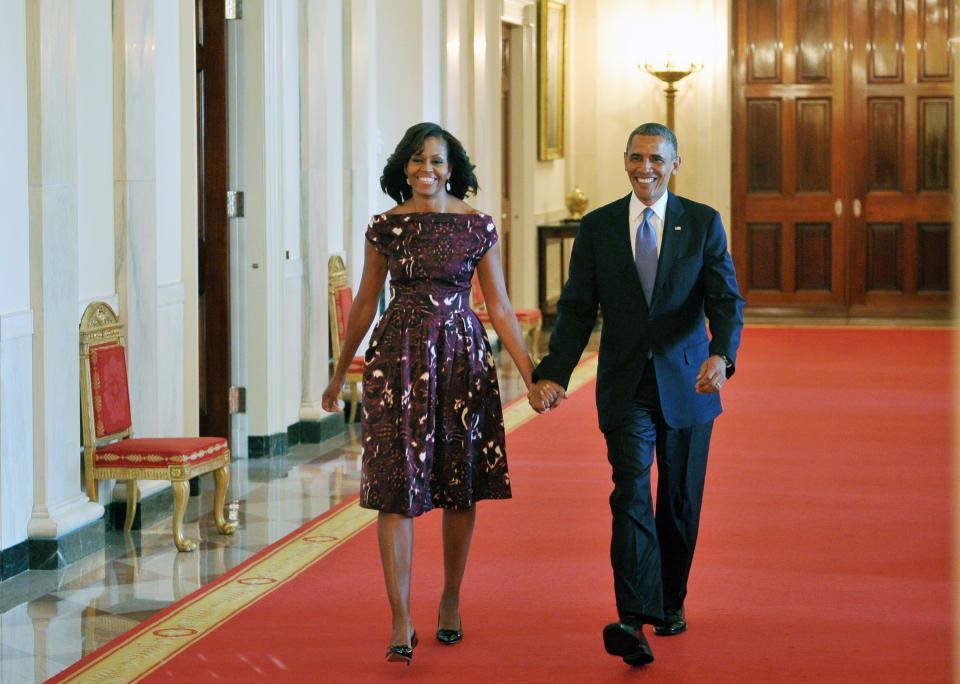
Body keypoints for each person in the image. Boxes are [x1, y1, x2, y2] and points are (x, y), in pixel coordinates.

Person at [528, 123, 744, 666]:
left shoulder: (701, 222)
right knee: (629, 495)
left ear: (675, 164)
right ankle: (631, 618)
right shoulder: (598, 227)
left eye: (655, 159)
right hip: (625, 386)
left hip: (689, 382)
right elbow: (577, 308)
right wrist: (552, 372)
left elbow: (725, 299)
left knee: (676, 502)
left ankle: (670, 602)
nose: (643, 168)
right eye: (635, 158)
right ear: (624, 161)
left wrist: (722, 355)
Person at [321, 122, 536, 666]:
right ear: (403, 167)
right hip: (398, 360)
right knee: (396, 485)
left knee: (457, 484)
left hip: (462, 361)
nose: (426, 170)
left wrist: (533, 376)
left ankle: (450, 598)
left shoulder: (477, 225)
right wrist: (337, 370)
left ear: (453, 168)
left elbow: (502, 308)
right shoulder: (385, 229)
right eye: (417, 161)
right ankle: (399, 617)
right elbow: (365, 305)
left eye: (437, 161)